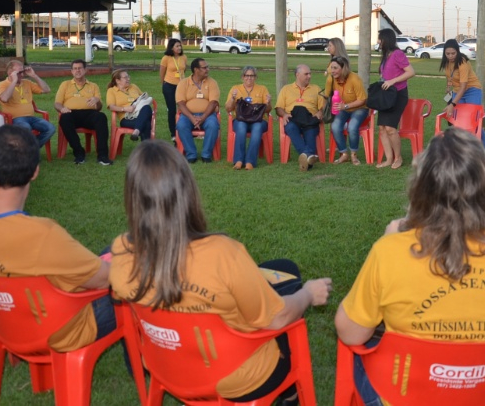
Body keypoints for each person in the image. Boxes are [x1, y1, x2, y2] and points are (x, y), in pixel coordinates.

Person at [109, 141, 332, 403]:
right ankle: (291, 394)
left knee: (284, 269)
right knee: (290, 297)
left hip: (166, 366)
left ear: (132, 198)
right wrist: (307, 294)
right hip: (234, 375)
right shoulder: (222, 254)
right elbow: (278, 319)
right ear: (187, 192)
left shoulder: (121, 253)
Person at [335, 128, 485, 405]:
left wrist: (390, 242)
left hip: (405, 396)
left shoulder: (391, 251)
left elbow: (350, 332)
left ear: (420, 190)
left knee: (368, 344)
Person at [0, 126, 117, 353]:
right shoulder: (42, 234)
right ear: (34, 172)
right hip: (54, 330)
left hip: (3, 322)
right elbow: (106, 280)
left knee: (110, 253)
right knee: (131, 274)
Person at [54, 59, 112, 166]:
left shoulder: (93, 86)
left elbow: (99, 108)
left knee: (101, 117)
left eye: (80, 68)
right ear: (71, 71)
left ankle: (102, 156)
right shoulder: (65, 84)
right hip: (71, 113)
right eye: (75, 69)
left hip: (89, 114)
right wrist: (62, 109)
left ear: (85, 70)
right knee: (64, 119)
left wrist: (97, 100)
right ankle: (79, 153)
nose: (77, 71)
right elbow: (57, 103)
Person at [375, 29, 415, 169]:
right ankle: (389, 158)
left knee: (391, 128)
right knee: (382, 128)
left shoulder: (398, 54)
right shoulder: (386, 55)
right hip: (386, 95)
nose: (378, 41)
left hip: (398, 95)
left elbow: (411, 72)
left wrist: (392, 81)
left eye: (380, 39)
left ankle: (398, 158)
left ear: (386, 39)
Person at [439, 38, 485, 149]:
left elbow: (464, 86)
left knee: (474, 119)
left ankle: (484, 148)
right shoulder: (447, 63)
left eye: (453, 53)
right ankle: (463, 146)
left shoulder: (462, 62)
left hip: (472, 89)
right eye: (448, 54)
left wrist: (453, 104)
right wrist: (448, 89)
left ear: (458, 51)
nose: (450, 56)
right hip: (457, 90)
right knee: (458, 120)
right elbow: (449, 77)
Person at [275, 64, 326, 171]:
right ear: (297, 75)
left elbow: (323, 107)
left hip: (310, 119)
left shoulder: (316, 88)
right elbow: (278, 107)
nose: (309, 76)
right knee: (290, 128)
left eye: (310, 74)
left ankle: (306, 158)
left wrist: (320, 112)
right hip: (293, 118)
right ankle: (309, 156)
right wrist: (284, 114)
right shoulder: (286, 89)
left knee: (311, 133)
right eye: (306, 74)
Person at [0, 59, 56, 148]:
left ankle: (32, 150)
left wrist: (34, 76)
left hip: (31, 118)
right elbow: (4, 99)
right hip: (15, 119)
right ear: (10, 72)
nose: (22, 75)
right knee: (26, 128)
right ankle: (30, 152)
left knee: (50, 128)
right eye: (19, 72)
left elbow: (47, 90)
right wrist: (13, 81)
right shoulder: (3, 84)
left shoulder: (27, 83)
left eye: (23, 72)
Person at [175, 58, 220, 163]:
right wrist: (192, 118)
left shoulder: (212, 83)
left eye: (207, 67)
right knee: (181, 125)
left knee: (213, 125)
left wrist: (202, 118)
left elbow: (213, 102)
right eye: (204, 68)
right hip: (187, 115)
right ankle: (191, 154)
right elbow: (180, 103)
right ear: (196, 70)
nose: (207, 69)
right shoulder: (183, 83)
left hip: (208, 115)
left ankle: (206, 154)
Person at [225, 65, 271, 170]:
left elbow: (268, 110)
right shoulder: (235, 88)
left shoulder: (262, 89)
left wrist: (268, 103)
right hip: (241, 119)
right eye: (247, 75)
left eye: (252, 76)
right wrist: (232, 98)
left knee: (257, 128)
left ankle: (250, 161)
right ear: (242, 77)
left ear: (255, 77)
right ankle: (239, 160)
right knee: (241, 127)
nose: (249, 78)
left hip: (258, 120)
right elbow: (228, 109)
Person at [326, 56, 368, 165]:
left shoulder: (354, 78)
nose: (332, 71)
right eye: (331, 68)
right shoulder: (332, 79)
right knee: (335, 126)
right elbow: (326, 95)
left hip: (359, 108)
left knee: (352, 126)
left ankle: (354, 154)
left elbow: (362, 100)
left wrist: (345, 106)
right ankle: (344, 154)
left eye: (335, 68)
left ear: (343, 68)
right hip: (342, 107)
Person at [105, 69, 154, 144]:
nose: (128, 79)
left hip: (140, 113)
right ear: (118, 80)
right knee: (146, 124)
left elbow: (144, 97)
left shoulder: (133, 86)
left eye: (128, 76)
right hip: (126, 118)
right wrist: (124, 109)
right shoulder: (111, 91)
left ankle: (136, 131)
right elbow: (111, 106)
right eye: (125, 77)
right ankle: (147, 151)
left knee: (147, 107)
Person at [159, 38, 188, 143]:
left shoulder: (183, 57)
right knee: (172, 110)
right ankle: (173, 133)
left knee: (184, 108)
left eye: (180, 46)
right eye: (177, 46)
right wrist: (163, 84)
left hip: (181, 86)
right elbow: (162, 72)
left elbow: (184, 69)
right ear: (171, 47)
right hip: (169, 86)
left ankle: (185, 129)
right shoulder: (166, 58)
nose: (179, 48)